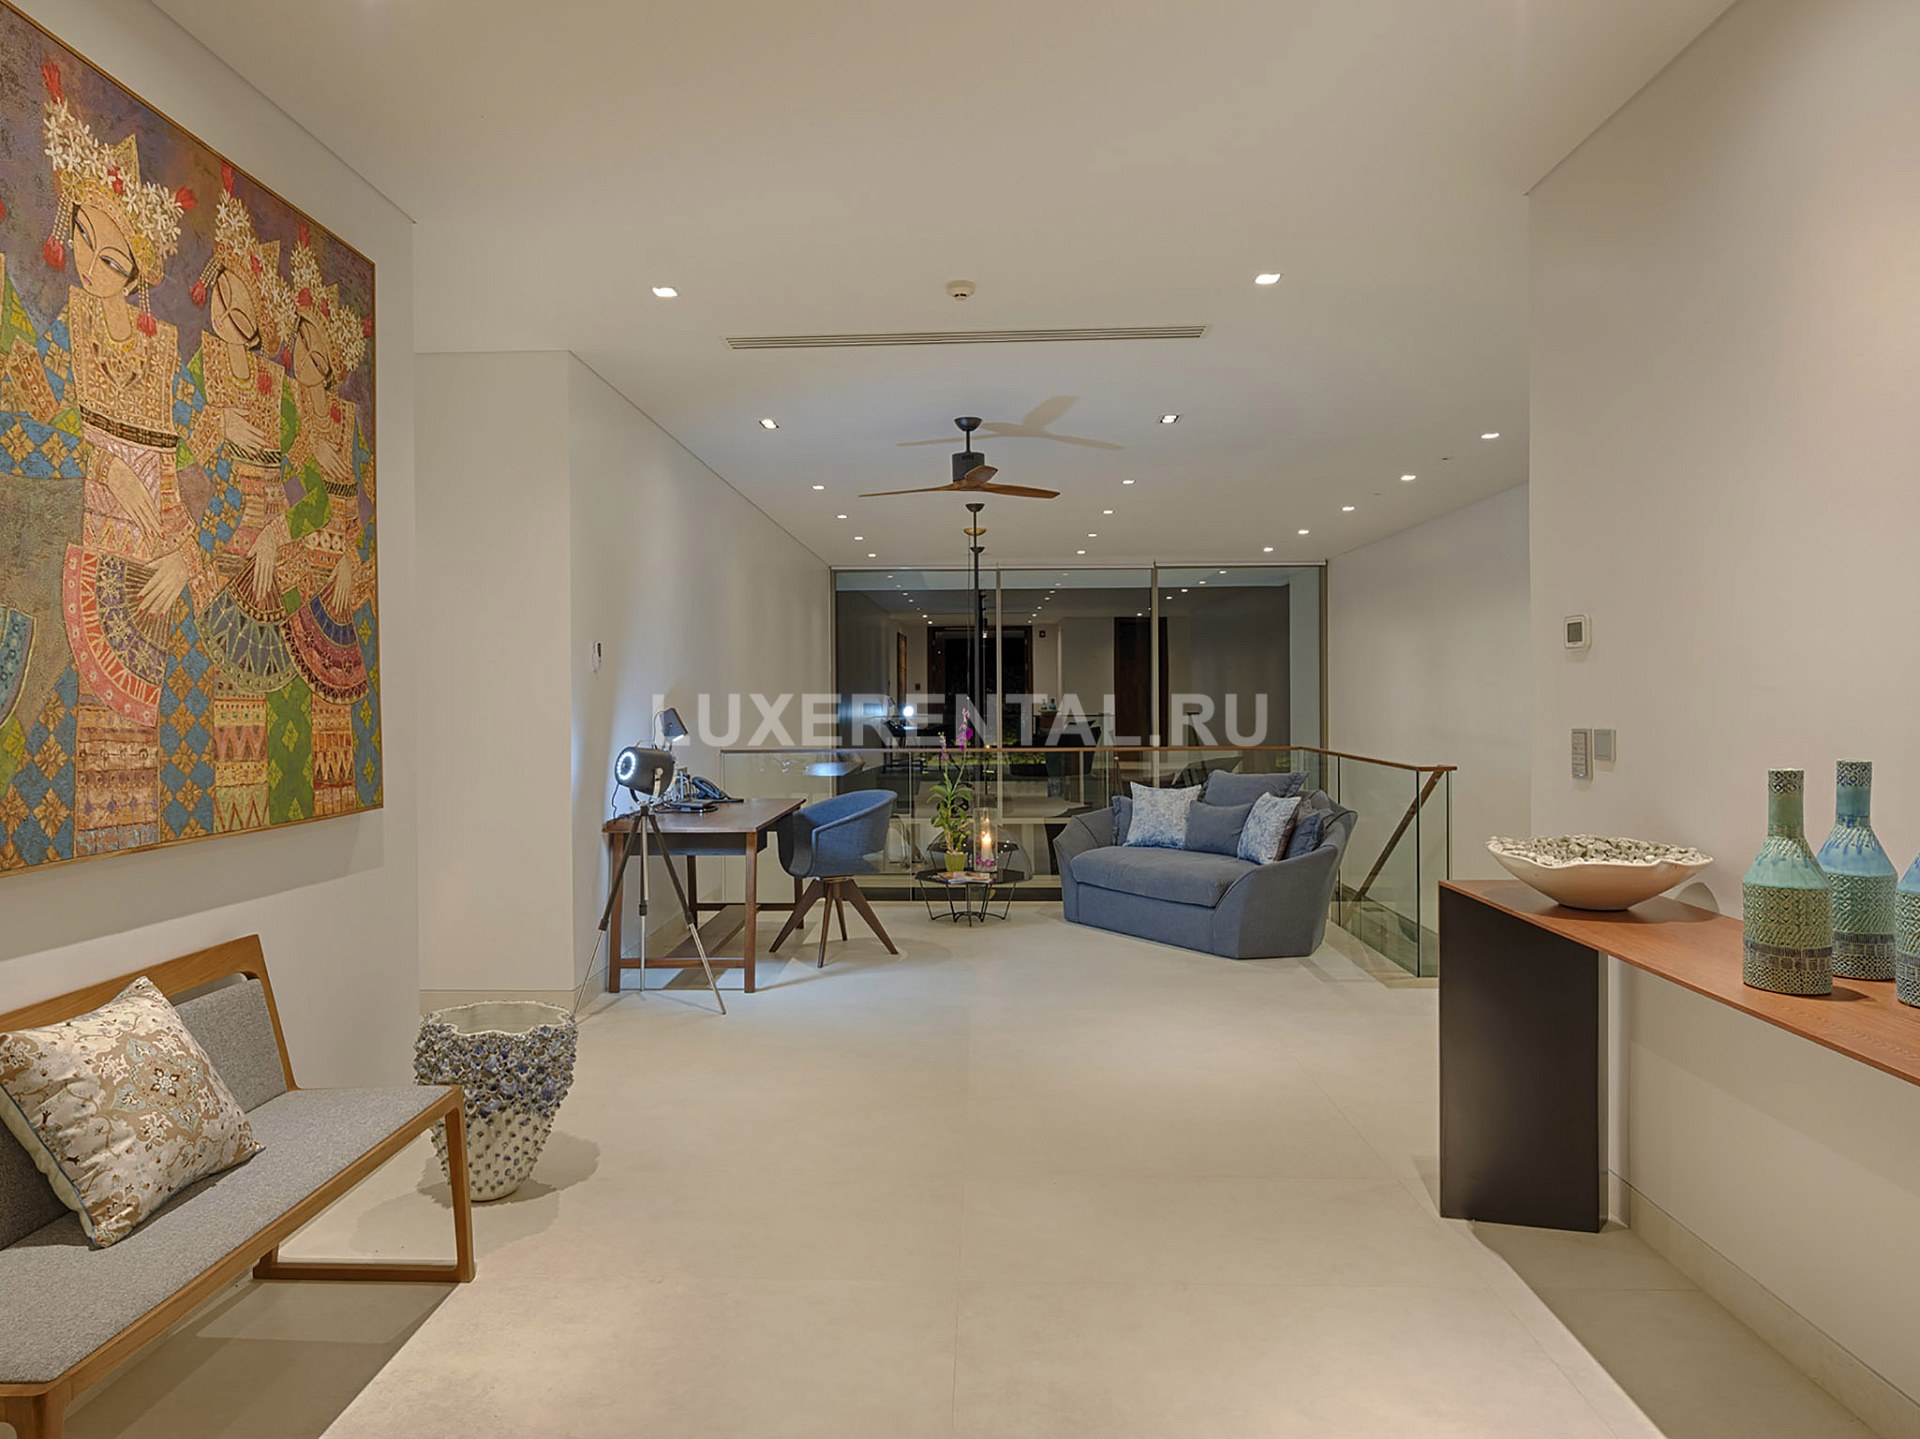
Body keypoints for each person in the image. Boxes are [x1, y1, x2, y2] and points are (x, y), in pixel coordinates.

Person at [0, 61, 197, 862]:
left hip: (147, 598)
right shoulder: (62, 333)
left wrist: (184, 556)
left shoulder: (164, 357)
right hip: (78, 576)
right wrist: (97, 462)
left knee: (135, 806)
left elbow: (179, 488)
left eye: (113, 258)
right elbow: (26, 428)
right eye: (82, 233)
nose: (89, 260)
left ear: (141, 274)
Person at [179, 165, 299, 832]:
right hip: (213, 545)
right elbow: (180, 464)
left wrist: (276, 532)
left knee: (251, 703)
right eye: (223, 295)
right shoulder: (195, 365)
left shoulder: (274, 390)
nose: (229, 311)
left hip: (264, 553)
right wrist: (216, 424)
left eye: (244, 304)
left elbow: (286, 480)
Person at [277, 226, 377, 820]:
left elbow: (364, 511)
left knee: (334, 731)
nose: (307, 360)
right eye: (302, 343)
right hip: (292, 569)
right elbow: (275, 481)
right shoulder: (280, 403)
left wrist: (351, 561)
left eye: (319, 354)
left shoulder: (346, 421)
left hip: (339, 583)